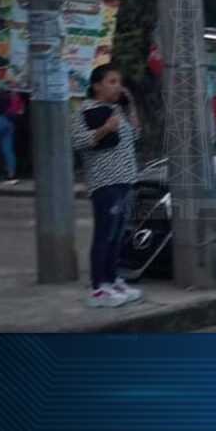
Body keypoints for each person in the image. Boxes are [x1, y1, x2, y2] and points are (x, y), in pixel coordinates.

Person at [71, 64, 143, 308]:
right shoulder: (86, 111)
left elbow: (134, 136)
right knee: (105, 234)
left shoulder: (117, 110)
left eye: (118, 82)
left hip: (126, 179)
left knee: (119, 234)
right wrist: (104, 130)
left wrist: (130, 107)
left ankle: (112, 279)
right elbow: (78, 141)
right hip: (105, 182)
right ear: (96, 86)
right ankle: (97, 288)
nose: (117, 87)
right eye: (112, 82)